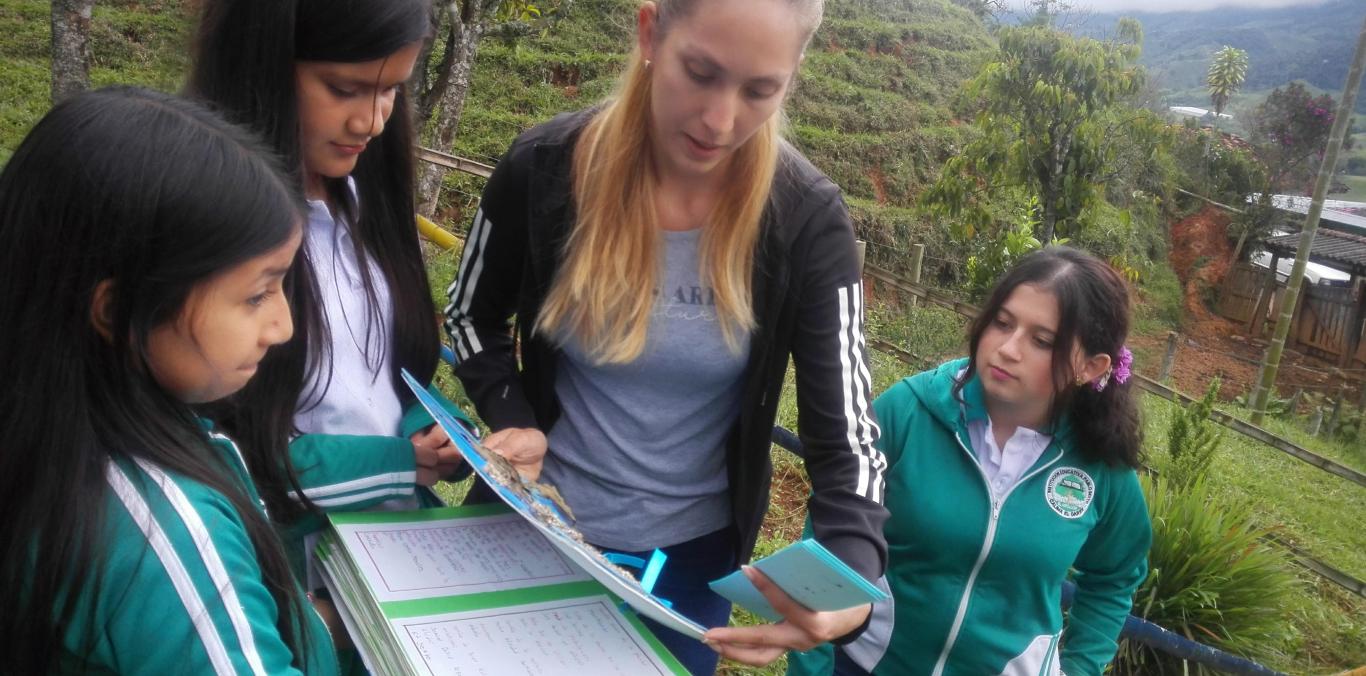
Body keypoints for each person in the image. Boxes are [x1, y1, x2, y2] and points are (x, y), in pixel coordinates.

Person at [444, 0, 888, 672]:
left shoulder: (804, 220)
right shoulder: (544, 170)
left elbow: (847, 437)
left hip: (683, 571)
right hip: (526, 524)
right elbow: (469, 317)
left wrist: (851, 582)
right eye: (701, 72)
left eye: (759, 90)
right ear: (651, 31)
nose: (720, 121)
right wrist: (514, 417)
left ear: (792, 76)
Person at [0, 87, 338, 674]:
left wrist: (316, 624)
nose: (282, 326)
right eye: (258, 294)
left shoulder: (59, 435)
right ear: (119, 312)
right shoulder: (162, 535)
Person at [187, 0, 473, 575]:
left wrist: (436, 432)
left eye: (393, 89)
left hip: (397, 559)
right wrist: (398, 461)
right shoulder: (206, 233)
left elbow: (378, 380)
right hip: (292, 574)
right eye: (344, 89)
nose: (371, 121)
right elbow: (225, 450)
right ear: (261, 66)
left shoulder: (363, 206)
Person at [787, 246, 1152, 676]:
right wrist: (812, 664)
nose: (1008, 349)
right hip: (866, 665)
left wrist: (1079, 668)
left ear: (1090, 366)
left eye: (1042, 341)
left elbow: (1115, 575)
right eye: (1002, 322)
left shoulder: (1099, 465)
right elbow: (829, 531)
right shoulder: (909, 412)